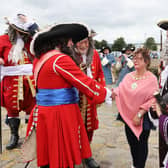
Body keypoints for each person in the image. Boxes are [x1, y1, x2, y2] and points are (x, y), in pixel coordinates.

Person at [26, 23, 112, 168]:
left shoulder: (43, 58)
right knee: (62, 156)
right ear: (61, 41)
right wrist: (107, 93)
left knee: (49, 152)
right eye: (69, 40)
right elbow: (84, 82)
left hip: (46, 112)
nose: (72, 43)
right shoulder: (59, 59)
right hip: (59, 114)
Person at [112, 48, 158, 168]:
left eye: (139, 58)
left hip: (143, 117)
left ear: (146, 61)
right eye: (134, 58)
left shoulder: (151, 78)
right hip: (128, 116)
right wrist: (111, 93)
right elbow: (120, 90)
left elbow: (153, 98)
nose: (135, 61)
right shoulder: (128, 76)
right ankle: (135, 165)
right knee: (132, 143)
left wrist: (139, 114)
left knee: (141, 144)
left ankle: (140, 166)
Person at [0, 13, 39, 150]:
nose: (22, 35)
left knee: (32, 108)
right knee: (12, 109)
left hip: (30, 82)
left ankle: (31, 136)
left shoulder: (31, 41)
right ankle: (14, 135)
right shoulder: (3, 40)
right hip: (11, 81)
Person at [72, 29, 106, 167]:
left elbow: (99, 74)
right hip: (75, 98)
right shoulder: (70, 56)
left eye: (86, 42)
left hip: (90, 98)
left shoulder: (95, 54)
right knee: (74, 128)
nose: (83, 45)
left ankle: (87, 155)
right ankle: (74, 153)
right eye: (80, 42)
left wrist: (101, 92)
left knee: (89, 127)